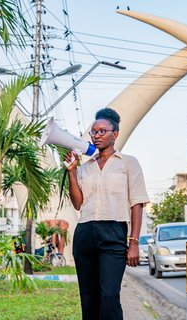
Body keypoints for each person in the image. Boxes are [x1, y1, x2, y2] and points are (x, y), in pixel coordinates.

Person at [65, 108, 150, 320]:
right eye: (93, 132)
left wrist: (134, 242)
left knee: (110, 295)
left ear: (115, 134)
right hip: (85, 233)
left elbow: (137, 204)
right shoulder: (85, 167)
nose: (97, 135)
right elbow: (77, 204)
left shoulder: (129, 163)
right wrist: (72, 172)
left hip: (114, 233)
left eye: (102, 131)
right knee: (89, 297)